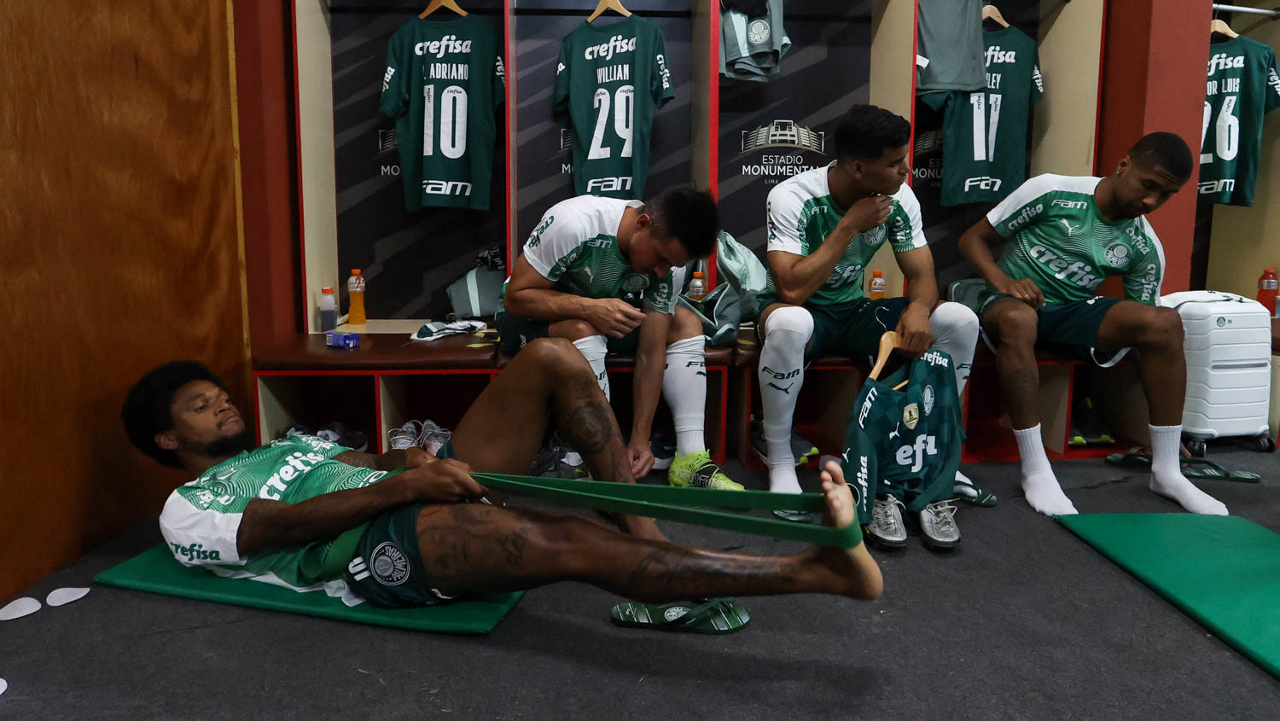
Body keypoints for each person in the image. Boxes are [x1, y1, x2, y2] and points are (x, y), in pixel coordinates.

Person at [120, 340, 883, 610]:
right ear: (166, 436)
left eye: (220, 395)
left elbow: (364, 460)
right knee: (568, 540)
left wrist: (410, 460)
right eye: (200, 406)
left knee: (552, 357)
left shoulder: (277, 449)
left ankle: (646, 530)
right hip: (367, 550)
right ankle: (816, 572)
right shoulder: (185, 508)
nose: (222, 404)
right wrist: (404, 488)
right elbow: (273, 530)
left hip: (405, 492)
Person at [957, 131, 1226, 517]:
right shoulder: (1051, 191)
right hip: (1005, 306)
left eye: (1165, 195)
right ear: (1123, 165)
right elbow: (972, 239)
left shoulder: (1144, 246)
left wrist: (1159, 426)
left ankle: (1167, 470)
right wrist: (1004, 283)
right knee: (1019, 319)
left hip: (1069, 313)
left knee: (1164, 323)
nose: (1151, 201)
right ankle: (1036, 469)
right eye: (1148, 185)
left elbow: (1145, 340)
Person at [754, 104, 982, 546]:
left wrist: (919, 308)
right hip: (799, 312)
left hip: (854, 310)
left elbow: (922, 275)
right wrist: (848, 227)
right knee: (790, 322)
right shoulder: (792, 196)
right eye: (895, 162)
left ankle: (933, 452)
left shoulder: (900, 197)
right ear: (859, 169)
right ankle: (779, 461)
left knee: (958, 319)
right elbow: (791, 289)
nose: (906, 170)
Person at [498, 184, 742, 491]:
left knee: (685, 323)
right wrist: (589, 308)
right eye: (661, 258)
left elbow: (651, 351)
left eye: (671, 265)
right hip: (525, 320)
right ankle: (593, 455)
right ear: (643, 223)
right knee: (583, 327)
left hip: (600, 320)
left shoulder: (669, 267)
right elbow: (516, 298)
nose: (661, 271)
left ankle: (690, 459)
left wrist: (640, 438)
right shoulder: (573, 223)